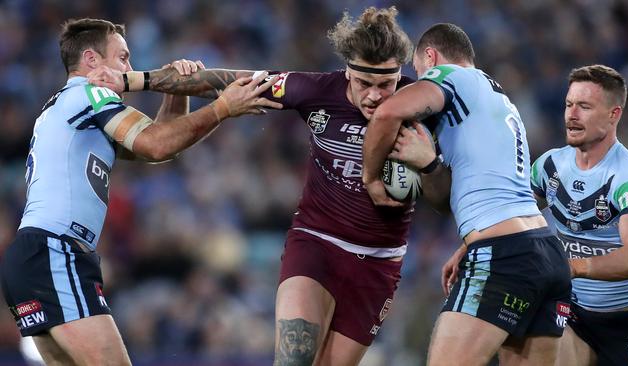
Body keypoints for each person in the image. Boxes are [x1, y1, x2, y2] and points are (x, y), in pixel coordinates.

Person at [89, 6, 414, 366]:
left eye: (386, 84)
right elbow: (233, 81)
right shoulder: (317, 90)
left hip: (380, 261)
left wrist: (430, 165)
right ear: (347, 73)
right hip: (316, 243)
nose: (373, 96)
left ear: (400, 75)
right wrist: (137, 81)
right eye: (363, 84)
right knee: (292, 361)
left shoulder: (424, 104)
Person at [0, 18, 281, 366]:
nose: (129, 69)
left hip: (36, 256)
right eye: (122, 58)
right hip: (55, 252)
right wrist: (224, 108)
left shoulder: (63, 106)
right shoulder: (90, 92)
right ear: (91, 60)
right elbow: (157, 145)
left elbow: (161, 142)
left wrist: (175, 90)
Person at [361, 23, 572, 365]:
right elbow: (453, 202)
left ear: (431, 56)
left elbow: (389, 112)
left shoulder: (451, 77)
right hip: (546, 253)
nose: (421, 80)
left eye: (419, 72)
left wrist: (370, 176)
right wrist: (430, 164)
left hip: (503, 256)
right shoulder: (498, 100)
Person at [530, 65, 628, 366]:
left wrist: (574, 267)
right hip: (572, 314)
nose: (572, 114)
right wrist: (466, 248)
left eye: (584, 106)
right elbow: (511, 214)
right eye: (569, 104)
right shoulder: (549, 166)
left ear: (614, 115)